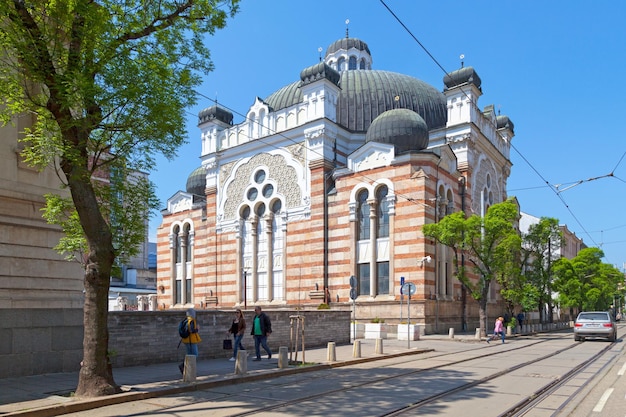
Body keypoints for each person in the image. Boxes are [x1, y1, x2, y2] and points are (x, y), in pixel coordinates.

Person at [179, 308, 201, 373]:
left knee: (189, 354)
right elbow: (191, 331)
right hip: (191, 340)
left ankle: (186, 368)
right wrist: (197, 329)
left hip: (186, 340)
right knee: (195, 354)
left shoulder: (186, 320)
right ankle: (184, 366)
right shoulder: (191, 320)